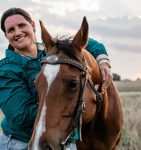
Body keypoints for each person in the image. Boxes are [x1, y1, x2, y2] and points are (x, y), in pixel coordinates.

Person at [0, 7, 112, 150]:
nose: (18, 32)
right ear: (7, 36)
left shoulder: (52, 51)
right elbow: (21, 115)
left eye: (22, 25)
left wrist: (103, 61)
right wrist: (68, 102)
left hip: (65, 140)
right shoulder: (6, 70)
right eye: (11, 30)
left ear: (33, 25)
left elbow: (85, 42)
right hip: (20, 143)